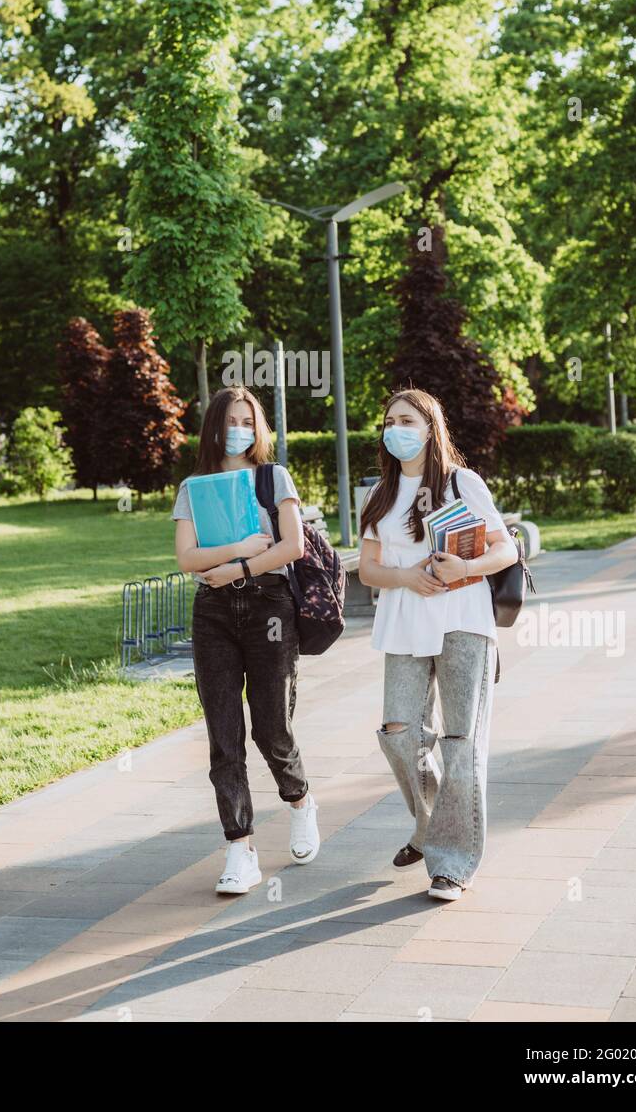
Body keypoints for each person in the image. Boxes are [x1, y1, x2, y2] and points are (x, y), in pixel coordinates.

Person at [358, 388, 518, 902]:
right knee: (398, 732)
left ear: (430, 428)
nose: (395, 428)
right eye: (389, 421)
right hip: (404, 621)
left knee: (461, 742)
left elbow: (504, 548)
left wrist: (465, 568)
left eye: (406, 419)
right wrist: (405, 576)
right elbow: (367, 569)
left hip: (463, 620)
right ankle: (428, 823)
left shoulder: (460, 482)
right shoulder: (379, 494)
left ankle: (451, 863)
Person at [172, 385, 320, 895]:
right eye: (229, 419)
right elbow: (187, 559)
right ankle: (241, 848)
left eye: (247, 419)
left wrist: (236, 566)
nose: (238, 428)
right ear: (213, 426)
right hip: (212, 611)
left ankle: (299, 800)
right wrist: (235, 551)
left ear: (259, 428)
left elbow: (294, 546)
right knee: (224, 736)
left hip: (268, 607)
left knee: (272, 728)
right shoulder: (194, 487)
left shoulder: (273, 477)